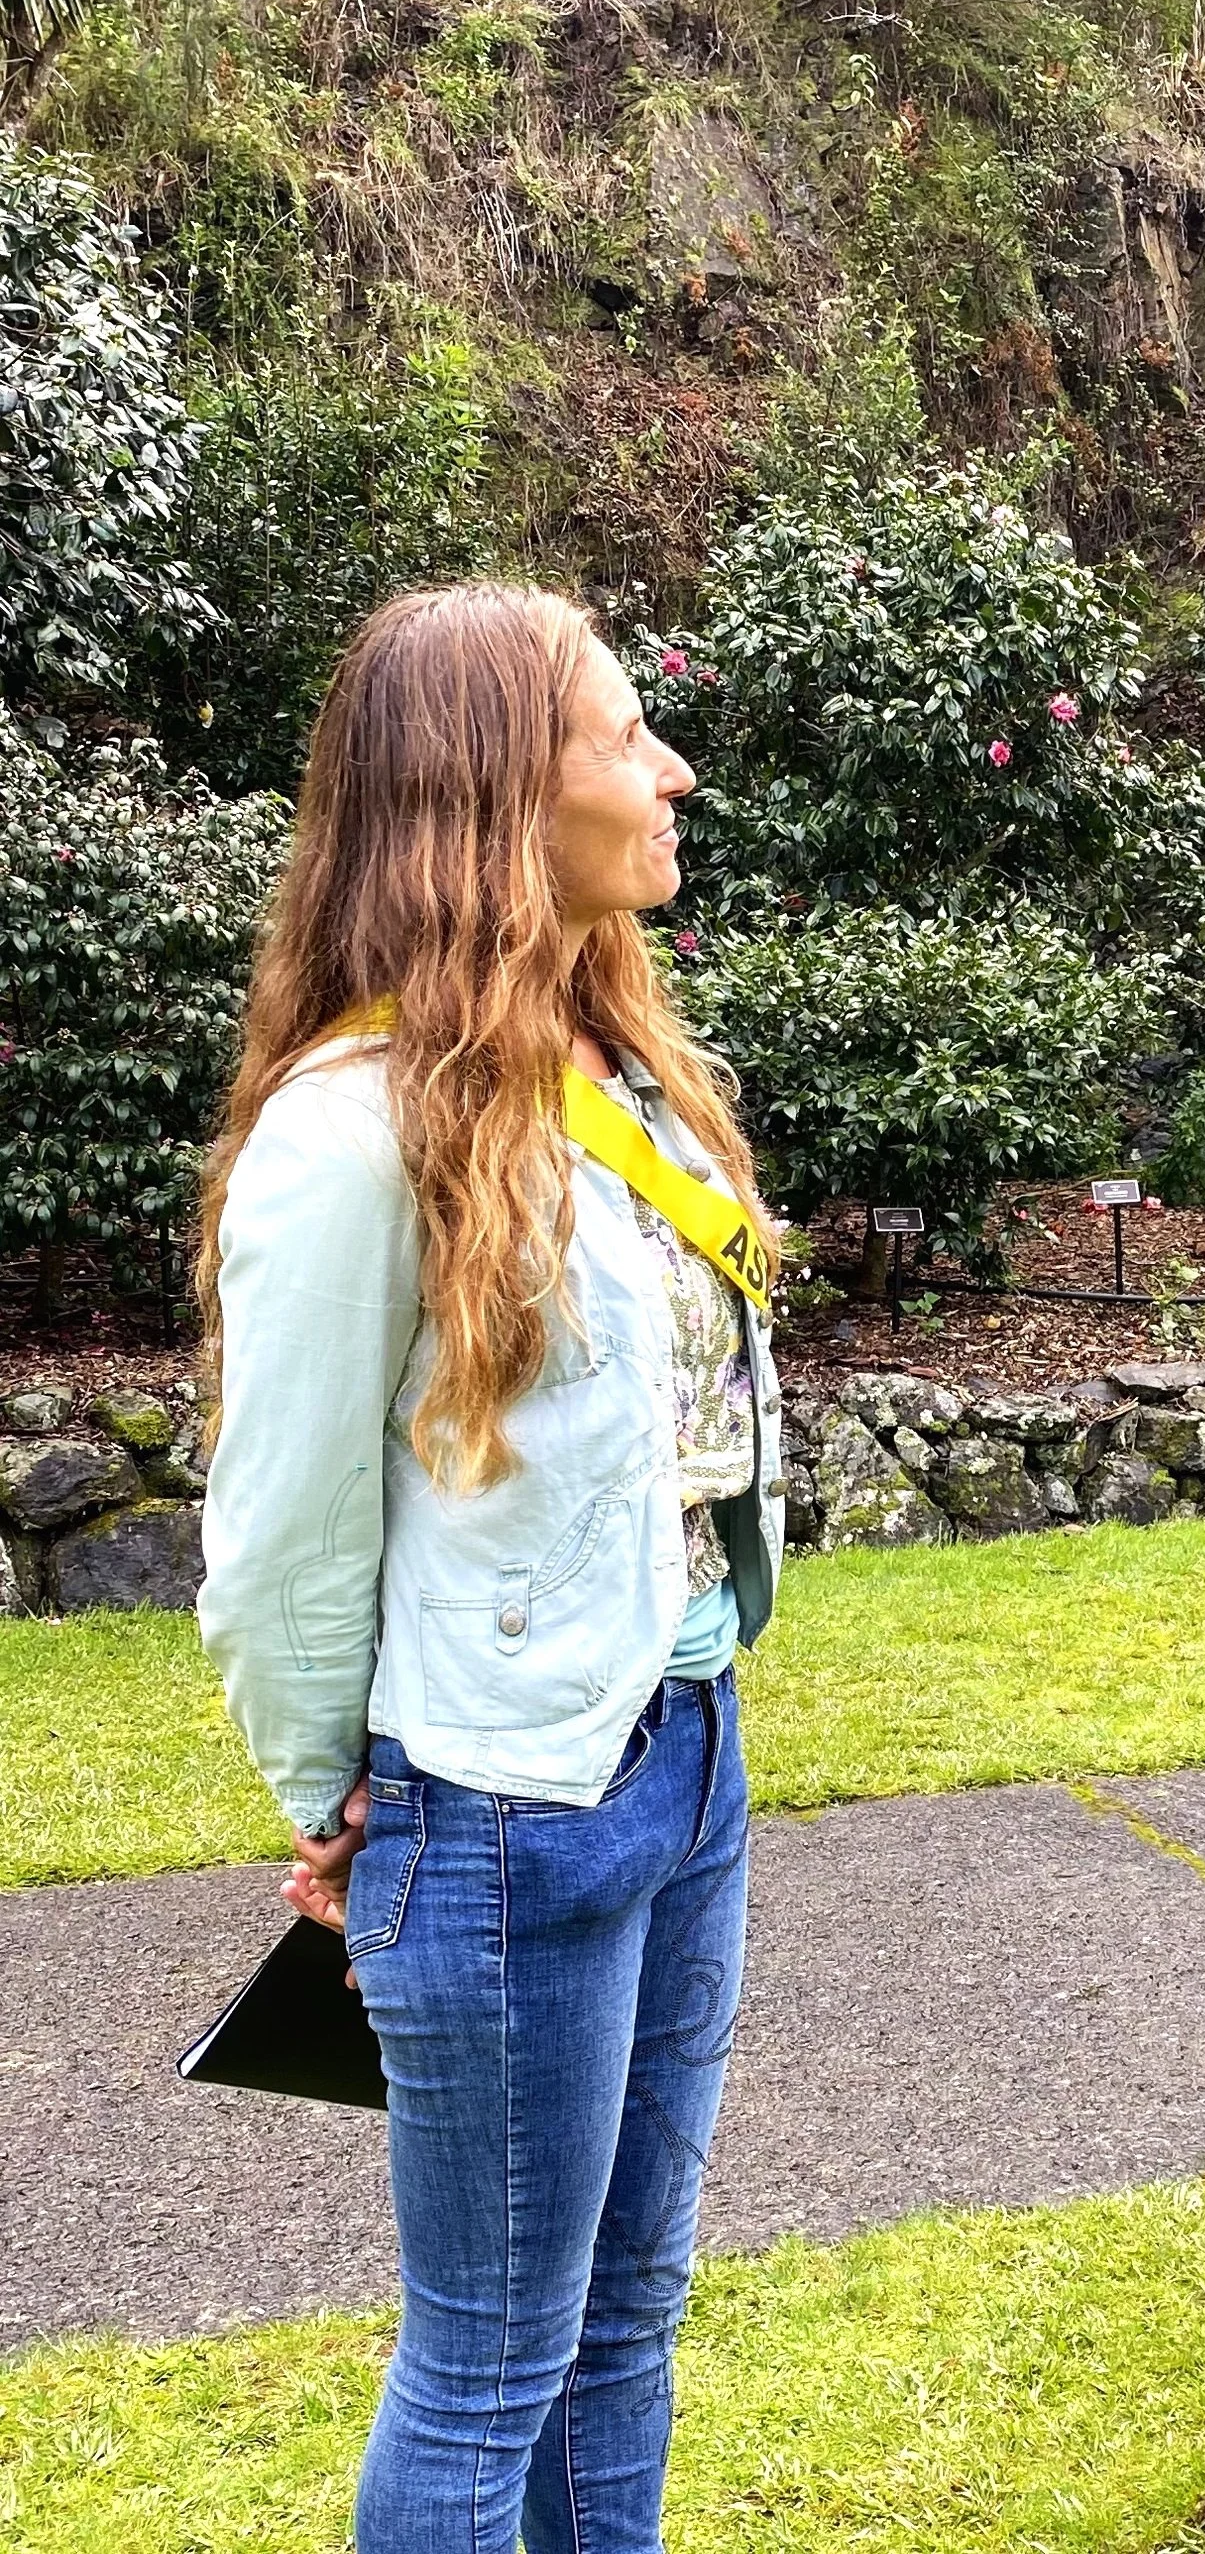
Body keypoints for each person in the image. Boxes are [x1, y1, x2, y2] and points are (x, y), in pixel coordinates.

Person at [196, 582, 785, 2554]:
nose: (669, 768)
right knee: (483, 2371)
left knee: (621, 2319)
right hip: (505, 1812)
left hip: (681, 1752)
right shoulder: (343, 1136)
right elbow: (276, 1544)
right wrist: (335, 1804)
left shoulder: (589, 1073)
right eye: (625, 733)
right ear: (494, 798)